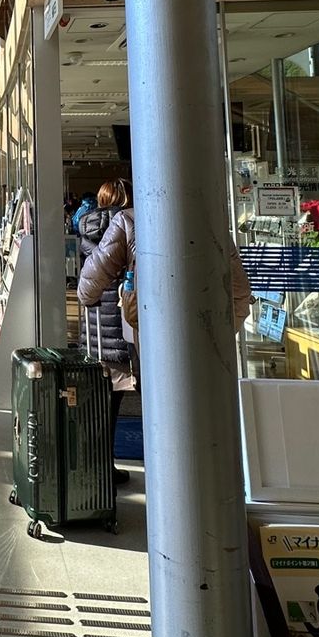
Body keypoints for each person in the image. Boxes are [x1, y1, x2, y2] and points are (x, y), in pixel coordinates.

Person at [77, 181, 251, 485]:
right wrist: (223, 337)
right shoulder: (210, 219)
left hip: (144, 335)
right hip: (201, 339)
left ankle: (167, 489)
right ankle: (199, 486)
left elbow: (87, 288)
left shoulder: (126, 221)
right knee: (194, 414)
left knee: (148, 404)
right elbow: (239, 293)